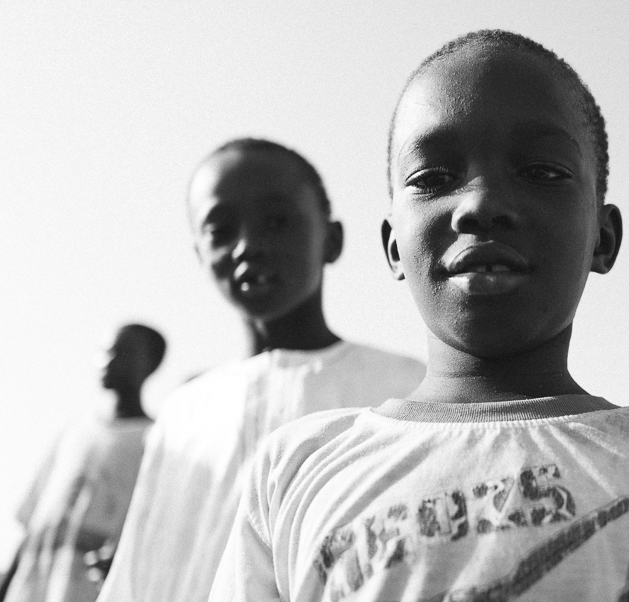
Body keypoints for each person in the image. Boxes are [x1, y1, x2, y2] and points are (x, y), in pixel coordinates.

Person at [209, 30, 629, 602]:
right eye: (432, 177)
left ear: (602, 238)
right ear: (393, 245)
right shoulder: (299, 471)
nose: (482, 203)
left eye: (543, 172)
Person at [96, 139, 426, 602]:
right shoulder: (184, 411)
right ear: (199, 255)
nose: (248, 246)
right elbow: (138, 569)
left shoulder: (403, 389)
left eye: (277, 222)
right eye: (221, 229)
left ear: (332, 240)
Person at [5, 324, 165, 602]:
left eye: (122, 353)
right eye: (105, 351)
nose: (108, 361)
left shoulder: (155, 441)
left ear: (150, 364)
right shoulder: (74, 433)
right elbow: (32, 524)